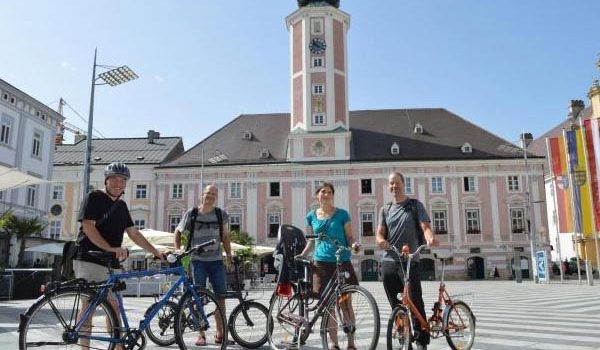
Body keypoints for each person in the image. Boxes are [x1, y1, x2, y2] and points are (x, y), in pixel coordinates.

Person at [74, 162, 165, 350]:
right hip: (89, 258)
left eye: (123, 180)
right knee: (89, 307)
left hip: (111, 262)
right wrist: (110, 248)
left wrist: (155, 251)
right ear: (106, 180)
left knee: (114, 307)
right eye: (114, 178)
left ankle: (118, 347)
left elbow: (134, 233)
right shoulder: (94, 197)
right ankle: (84, 347)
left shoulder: (122, 206)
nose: (118, 183)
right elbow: (88, 227)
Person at [376, 172, 438, 350]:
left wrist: (430, 237)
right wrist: (380, 240)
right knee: (396, 303)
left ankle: (421, 340)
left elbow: (425, 226)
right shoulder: (385, 209)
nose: (394, 186)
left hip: (410, 260)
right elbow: (380, 233)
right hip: (389, 260)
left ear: (404, 184)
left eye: (397, 183)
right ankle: (404, 337)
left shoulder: (414, 205)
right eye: (391, 184)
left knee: (414, 299)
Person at [299, 181, 360, 350]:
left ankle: (351, 343)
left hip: (341, 262)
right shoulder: (311, 216)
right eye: (322, 192)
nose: (326, 194)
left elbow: (349, 237)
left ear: (332, 195)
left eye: (329, 192)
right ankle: (334, 343)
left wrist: (354, 244)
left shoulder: (342, 214)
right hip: (320, 263)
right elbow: (312, 241)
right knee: (328, 306)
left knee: (345, 304)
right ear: (317, 195)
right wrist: (303, 255)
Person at [174, 184, 233, 346]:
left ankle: (220, 333)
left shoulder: (222, 215)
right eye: (208, 193)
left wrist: (228, 255)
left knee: (220, 298)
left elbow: (225, 237)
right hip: (196, 261)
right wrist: (177, 249)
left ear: (217, 197)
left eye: (214, 194)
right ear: (202, 195)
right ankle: (201, 334)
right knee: (196, 298)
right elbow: (178, 232)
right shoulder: (191, 214)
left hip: (216, 261)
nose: (210, 196)